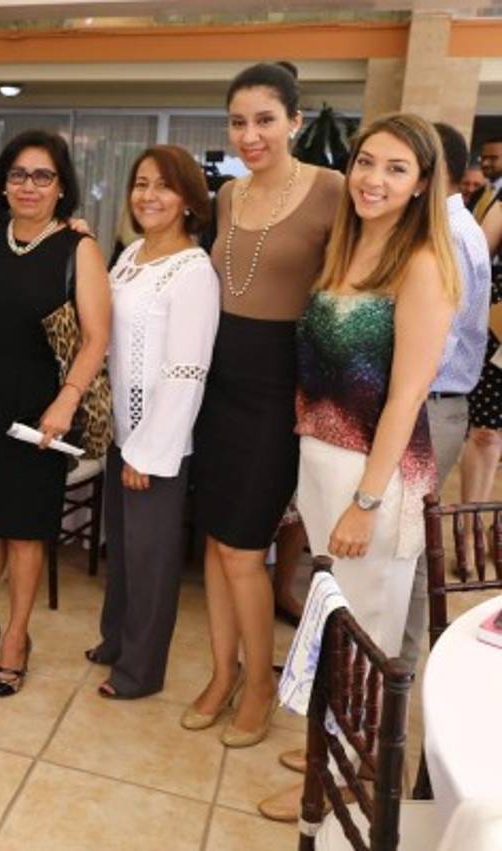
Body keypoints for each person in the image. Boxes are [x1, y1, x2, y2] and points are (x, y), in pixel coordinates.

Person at [260, 111, 458, 822]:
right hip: (322, 465)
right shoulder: (345, 250)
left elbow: (406, 395)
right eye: (366, 162)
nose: (374, 179)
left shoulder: (423, 264)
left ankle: (349, 774)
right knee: (332, 626)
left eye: (396, 168)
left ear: (422, 183)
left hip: (374, 477)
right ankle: (329, 742)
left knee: (364, 632)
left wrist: (365, 502)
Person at [187, 62, 344, 748]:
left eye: (264, 120)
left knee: (247, 549)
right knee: (218, 544)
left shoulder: (331, 190)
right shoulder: (227, 196)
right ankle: (222, 674)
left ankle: (259, 684)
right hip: (219, 383)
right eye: (239, 122)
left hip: (282, 387)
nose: (251, 135)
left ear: (295, 123)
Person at [0, 130, 108, 696]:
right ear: (4, 183)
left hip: (43, 407)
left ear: (62, 187)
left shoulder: (77, 248)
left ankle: (16, 636)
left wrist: (65, 401)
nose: (29, 186)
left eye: (43, 176)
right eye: (18, 174)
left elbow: (95, 338)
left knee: (24, 531)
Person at [86, 145, 219, 700]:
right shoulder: (133, 253)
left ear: (188, 199)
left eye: (163, 186)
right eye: (141, 184)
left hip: (156, 442)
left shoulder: (193, 271)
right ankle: (115, 639)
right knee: (123, 550)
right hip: (122, 429)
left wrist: (149, 451)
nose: (149, 196)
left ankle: (141, 670)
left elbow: (187, 371)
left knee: (150, 558)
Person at [398, 123, 490, 670]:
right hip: (432, 405)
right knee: (406, 549)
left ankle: (399, 674)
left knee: (408, 552)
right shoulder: (451, 225)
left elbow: (431, 344)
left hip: (428, 407)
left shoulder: (445, 235)